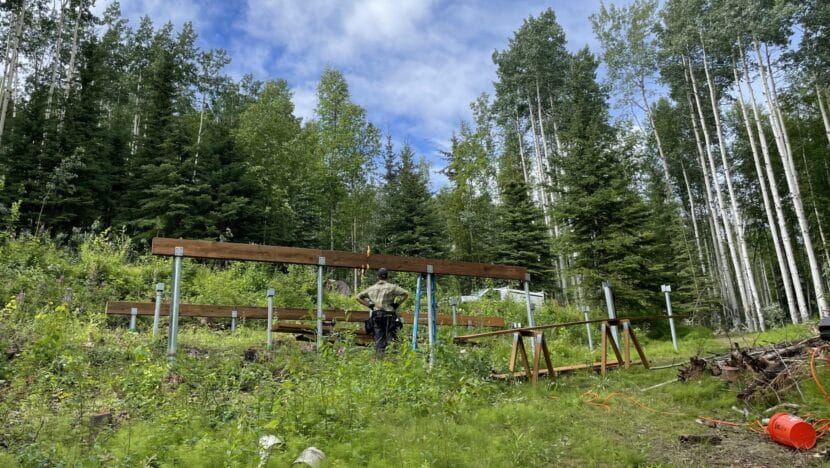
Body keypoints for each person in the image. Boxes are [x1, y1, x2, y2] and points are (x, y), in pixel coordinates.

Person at [356, 268, 409, 355]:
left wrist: (369, 305)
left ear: (378, 277)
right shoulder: (392, 287)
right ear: (387, 277)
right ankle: (391, 357)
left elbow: (358, 297)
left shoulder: (371, 288)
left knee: (379, 339)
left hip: (377, 315)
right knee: (391, 338)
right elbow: (406, 294)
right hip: (390, 316)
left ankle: (380, 357)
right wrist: (397, 304)